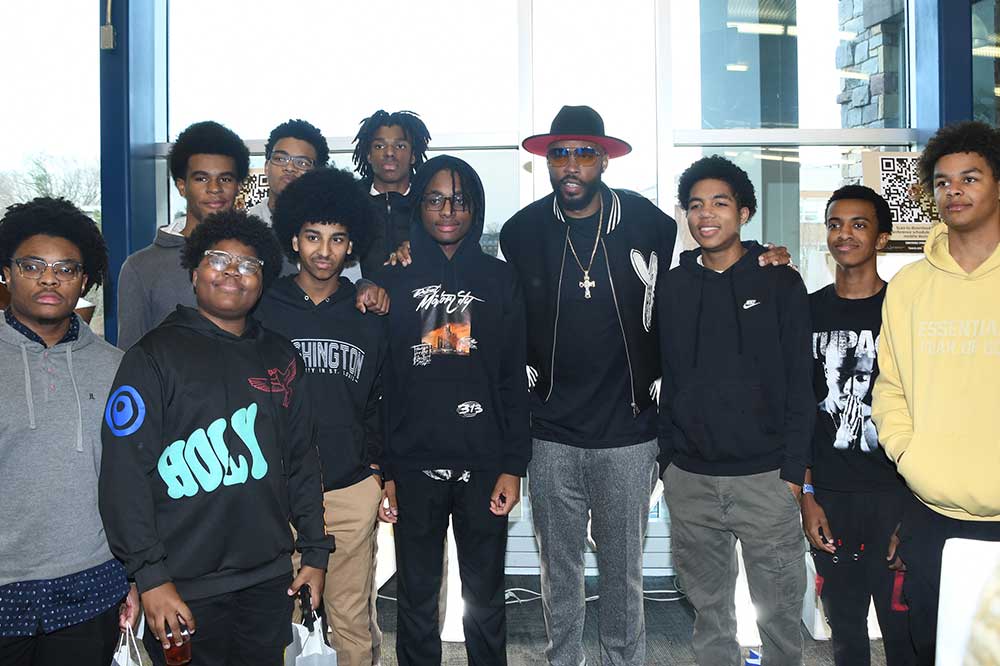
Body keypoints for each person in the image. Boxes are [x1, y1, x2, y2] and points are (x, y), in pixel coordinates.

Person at [99, 211, 333, 666]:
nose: (232, 271)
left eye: (248, 265)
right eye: (218, 259)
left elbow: (303, 459)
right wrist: (149, 577)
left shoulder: (280, 355)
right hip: (181, 585)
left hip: (266, 579)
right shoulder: (152, 356)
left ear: (262, 280)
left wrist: (315, 552)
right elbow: (123, 476)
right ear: (193, 272)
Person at [657, 155, 813, 666]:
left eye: (720, 203)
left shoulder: (780, 281)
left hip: (765, 480)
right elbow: (668, 375)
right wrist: (668, 462)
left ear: (744, 212)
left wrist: (792, 473)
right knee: (709, 618)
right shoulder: (675, 287)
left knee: (781, 618)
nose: (706, 214)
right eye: (695, 205)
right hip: (691, 479)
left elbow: (800, 384)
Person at [377, 155, 530, 665]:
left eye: (461, 200)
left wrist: (514, 465)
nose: (449, 209)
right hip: (414, 463)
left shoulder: (500, 280)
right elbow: (385, 384)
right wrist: (388, 470)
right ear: (419, 205)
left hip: (485, 464)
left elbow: (513, 380)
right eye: (437, 198)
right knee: (416, 601)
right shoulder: (393, 279)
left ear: (476, 208)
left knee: (485, 600)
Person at [873, 120, 1000, 665]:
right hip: (933, 514)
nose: (955, 191)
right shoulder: (909, 286)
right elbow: (889, 387)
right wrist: (909, 453)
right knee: (935, 649)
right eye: (944, 182)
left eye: (970, 178)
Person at [255, 167, 386, 666]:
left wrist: (377, 471)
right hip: (281, 492)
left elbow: (381, 399)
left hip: (349, 489)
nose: (324, 250)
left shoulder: (367, 312)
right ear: (294, 239)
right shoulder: (265, 308)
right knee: (286, 622)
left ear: (351, 244)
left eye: (337, 239)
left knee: (351, 619)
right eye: (313, 237)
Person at [0, 198, 138, 665]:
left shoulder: (118, 367)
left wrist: (136, 577)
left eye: (65, 268)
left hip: (92, 586)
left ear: (85, 280)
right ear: (6, 272)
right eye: (32, 265)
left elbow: (132, 482)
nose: (48, 278)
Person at [801, 185, 915, 666]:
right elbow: (798, 410)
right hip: (829, 495)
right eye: (834, 224)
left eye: (859, 224)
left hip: (896, 495)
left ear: (882, 238)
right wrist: (806, 495)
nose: (843, 234)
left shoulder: (905, 311)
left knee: (905, 635)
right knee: (846, 634)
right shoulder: (805, 311)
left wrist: (916, 513)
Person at [117, 120, 250, 350]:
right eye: (201, 178)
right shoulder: (140, 268)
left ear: (239, 186)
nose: (215, 188)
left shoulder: (259, 260)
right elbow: (130, 359)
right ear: (181, 186)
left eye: (226, 179)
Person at [351, 110, 431, 277]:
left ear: (413, 156)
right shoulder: (348, 202)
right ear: (368, 155)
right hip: (357, 301)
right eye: (379, 146)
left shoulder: (431, 203)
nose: (389, 153)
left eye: (400, 146)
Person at [246, 118, 329, 227]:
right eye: (280, 159)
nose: (289, 168)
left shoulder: (327, 225)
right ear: (266, 167)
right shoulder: (248, 223)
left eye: (302, 163)